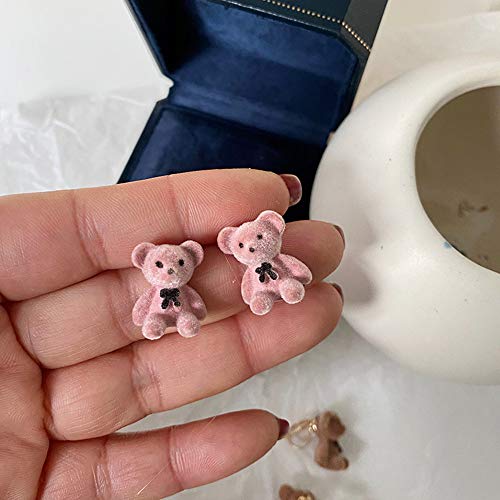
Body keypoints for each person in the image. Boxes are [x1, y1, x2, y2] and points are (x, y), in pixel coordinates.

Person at [0, 169, 344, 499]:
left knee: (252, 298)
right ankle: (183, 318)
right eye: (162, 265)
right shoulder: (158, 287)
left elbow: (275, 274)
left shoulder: (232, 265)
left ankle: (267, 295)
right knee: (160, 318)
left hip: (264, 283)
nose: (170, 270)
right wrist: (153, 316)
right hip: (161, 312)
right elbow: (145, 306)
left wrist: (295, 276)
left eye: (179, 264)